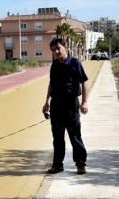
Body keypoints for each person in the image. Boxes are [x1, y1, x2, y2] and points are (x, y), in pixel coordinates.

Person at [42, 38, 88, 175]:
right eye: (53, 50)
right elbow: (51, 84)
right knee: (57, 137)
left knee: (75, 136)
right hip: (56, 105)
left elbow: (84, 82)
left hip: (71, 105)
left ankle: (80, 164)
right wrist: (46, 102)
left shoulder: (75, 63)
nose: (56, 52)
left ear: (65, 47)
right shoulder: (54, 65)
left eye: (58, 48)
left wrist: (84, 102)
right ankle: (57, 165)